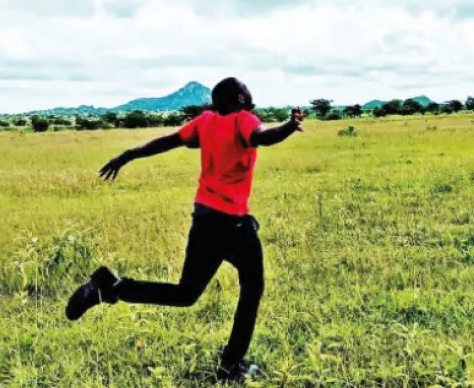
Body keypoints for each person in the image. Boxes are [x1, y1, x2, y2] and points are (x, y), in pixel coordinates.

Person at [64, 77, 304, 382]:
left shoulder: (206, 122)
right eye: (246, 90)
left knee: (186, 294)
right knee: (252, 288)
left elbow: (168, 141)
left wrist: (128, 154)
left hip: (205, 221)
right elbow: (263, 136)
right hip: (232, 224)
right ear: (239, 99)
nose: (250, 93)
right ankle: (230, 365)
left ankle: (109, 288)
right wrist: (288, 126)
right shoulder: (243, 120)